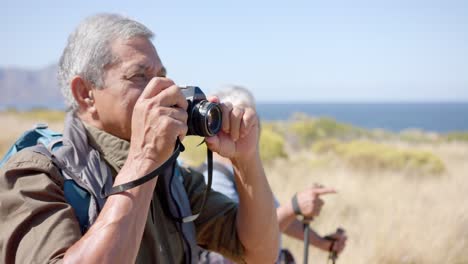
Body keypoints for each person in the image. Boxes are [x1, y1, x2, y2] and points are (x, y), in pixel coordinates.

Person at [0, 14, 279, 263]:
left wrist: (246, 161)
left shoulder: (173, 179)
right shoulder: (34, 175)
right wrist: (143, 159)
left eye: (162, 77)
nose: (163, 90)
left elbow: (258, 253)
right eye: (139, 76)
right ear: (85, 93)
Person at [197, 86, 347, 263]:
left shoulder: (243, 172)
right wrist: (294, 207)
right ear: (216, 122)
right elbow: (244, 239)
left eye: (251, 117)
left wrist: (323, 243)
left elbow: (272, 218)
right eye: (237, 117)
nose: (249, 124)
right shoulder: (213, 179)